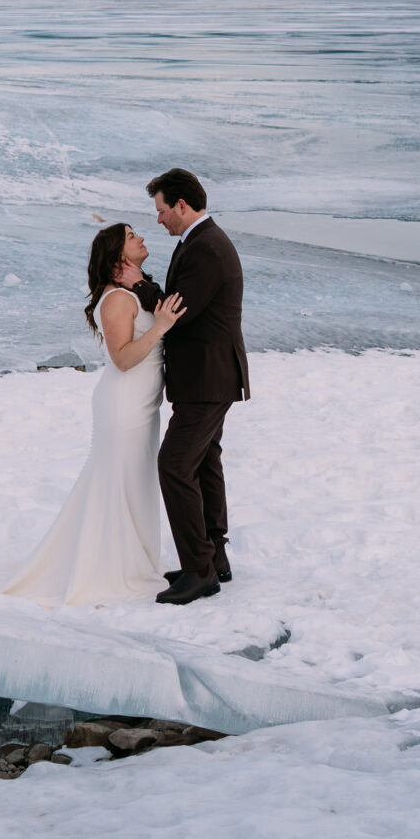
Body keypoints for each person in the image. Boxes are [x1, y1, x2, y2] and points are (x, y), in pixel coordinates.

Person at [2, 222, 182, 606]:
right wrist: (162, 326)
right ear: (118, 255)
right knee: (118, 483)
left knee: (133, 484)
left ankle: (130, 560)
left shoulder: (128, 293)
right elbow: (122, 358)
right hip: (124, 404)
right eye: (133, 236)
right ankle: (113, 568)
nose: (142, 238)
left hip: (140, 404)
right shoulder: (117, 299)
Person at [146, 167, 247, 606]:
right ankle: (214, 558)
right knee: (204, 462)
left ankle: (199, 570)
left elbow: (177, 312)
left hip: (209, 378)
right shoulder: (199, 241)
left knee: (174, 465)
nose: (159, 219)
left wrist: (138, 285)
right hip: (208, 376)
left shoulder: (206, 247)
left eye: (162, 209)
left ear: (182, 205)